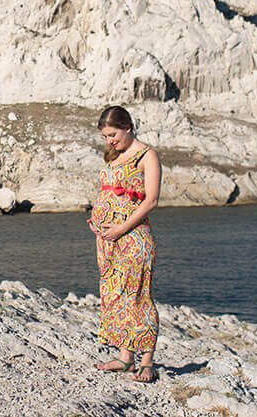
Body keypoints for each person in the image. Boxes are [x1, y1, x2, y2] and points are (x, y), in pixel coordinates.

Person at [88, 105, 161, 383]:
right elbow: (108, 194)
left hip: (133, 237)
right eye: (106, 136)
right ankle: (124, 357)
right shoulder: (114, 156)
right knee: (115, 296)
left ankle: (147, 361)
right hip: (108, 239)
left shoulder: (147, 155)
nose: (109, 141)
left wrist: (120, 228)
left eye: (113, 134)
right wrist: (97, 218)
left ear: (128, 127)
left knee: (138, 296)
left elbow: (151, 200)